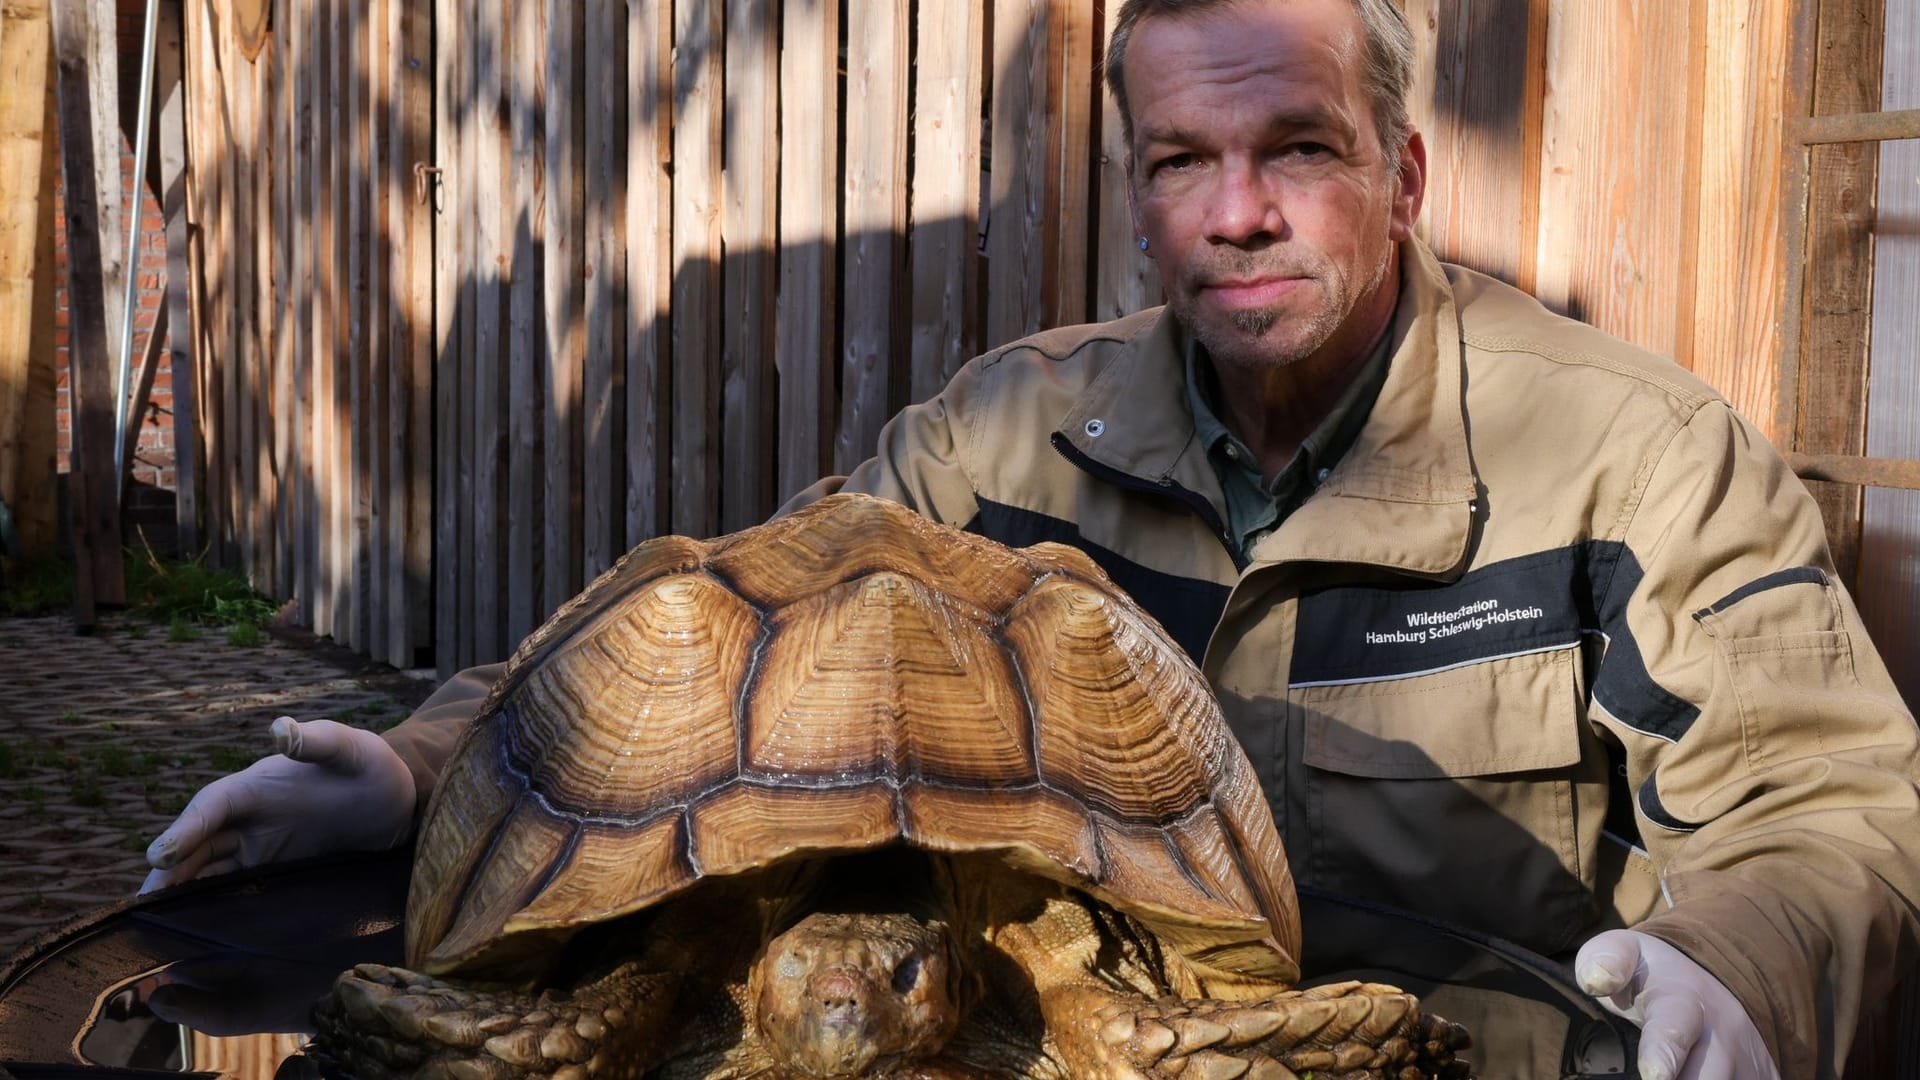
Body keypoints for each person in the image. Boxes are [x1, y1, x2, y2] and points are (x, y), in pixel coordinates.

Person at [144, 1, 1920, 1076]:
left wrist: (1738, 964)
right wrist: (420, 763)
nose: (1234, 213)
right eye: (1177, 161)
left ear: (1403, 171)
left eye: (1295, 147)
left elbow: (1828, 810)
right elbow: (703, 635)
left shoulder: (1629, 458)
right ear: (1138, 191)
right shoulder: (1008, 437)